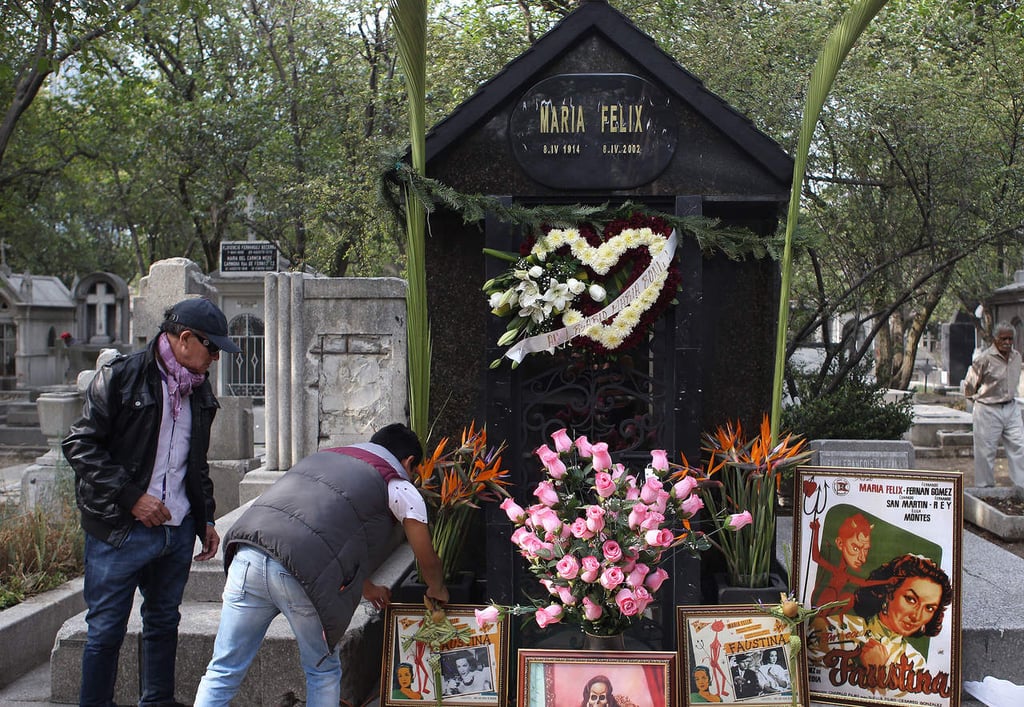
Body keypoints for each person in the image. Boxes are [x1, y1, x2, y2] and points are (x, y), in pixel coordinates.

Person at [193, 423, 449, 707]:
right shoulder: (397, 483)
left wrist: (367, 588)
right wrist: (437, 588)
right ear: (409, 462)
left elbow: (327, 535)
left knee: (222, 670)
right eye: (414, 471)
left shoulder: (324, 459)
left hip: (246, 555)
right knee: (322, 671)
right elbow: (425, 557)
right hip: (301, 574)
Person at [62, 297, 239, 707]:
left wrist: (206, 518)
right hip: (120, 531)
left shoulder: (199, 389)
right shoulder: (121, 377)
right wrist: (132, 497)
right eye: (211, 348)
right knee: (105, 630)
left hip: (176, 530)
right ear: (184, 339)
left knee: (163, 623)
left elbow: (194, 462)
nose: (214, 358)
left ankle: (156, 702)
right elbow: (80, 445)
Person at [964, 321, 1024, 488]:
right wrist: (975, 401)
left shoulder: (1016, 356)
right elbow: (969, 385)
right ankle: (985, 489)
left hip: (1011, 407)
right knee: (986, 452)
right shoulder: (984, 359)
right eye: (1003, 339)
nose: (1007, 343)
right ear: (995, 339)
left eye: (1010, 339)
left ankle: (1021, 488)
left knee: (1019, 447)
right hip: (988, 408)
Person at [809, 512, 876, 614]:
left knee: (850, 597)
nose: (863, 559)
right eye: (855, 548)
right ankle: (822, 616)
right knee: (831, 593)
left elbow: (864, 583)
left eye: (866, 550)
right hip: (820, 603)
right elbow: (815, 557)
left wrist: (888, 581)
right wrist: (816, 531)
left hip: (834, 602)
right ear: (840, 543)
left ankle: (839, 618)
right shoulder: (835, 569)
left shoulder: (845, 574)